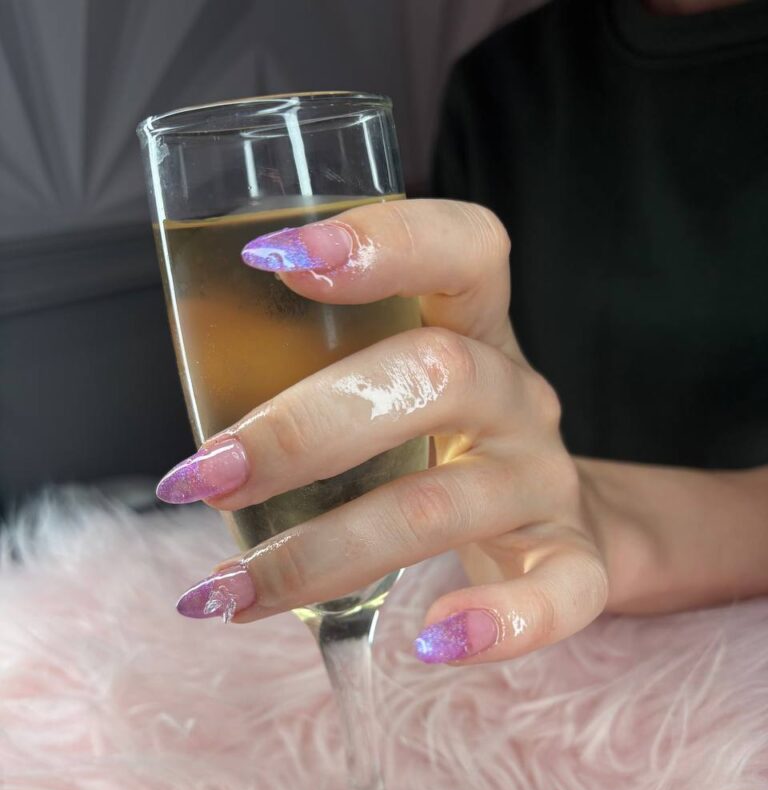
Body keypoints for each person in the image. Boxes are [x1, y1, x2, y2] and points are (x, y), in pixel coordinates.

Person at [154, 0, 768, 666]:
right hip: (557, 636)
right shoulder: (504, 81)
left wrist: (611, 523)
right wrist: (533, 498)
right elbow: (464, 377)